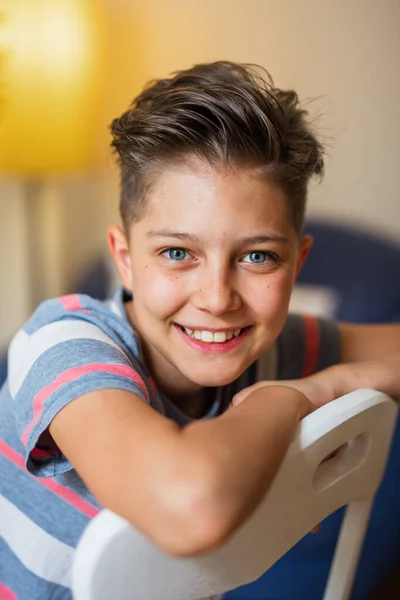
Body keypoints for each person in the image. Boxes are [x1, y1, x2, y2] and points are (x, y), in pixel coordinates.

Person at [0, 61, 399, 600]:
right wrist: (303, 395)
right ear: (124, 258)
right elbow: (188, 507)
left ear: (298, 264)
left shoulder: (270, 345)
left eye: (258, 256)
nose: (216, 300)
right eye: (177, 253)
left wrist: (340, 383)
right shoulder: (61, 345)